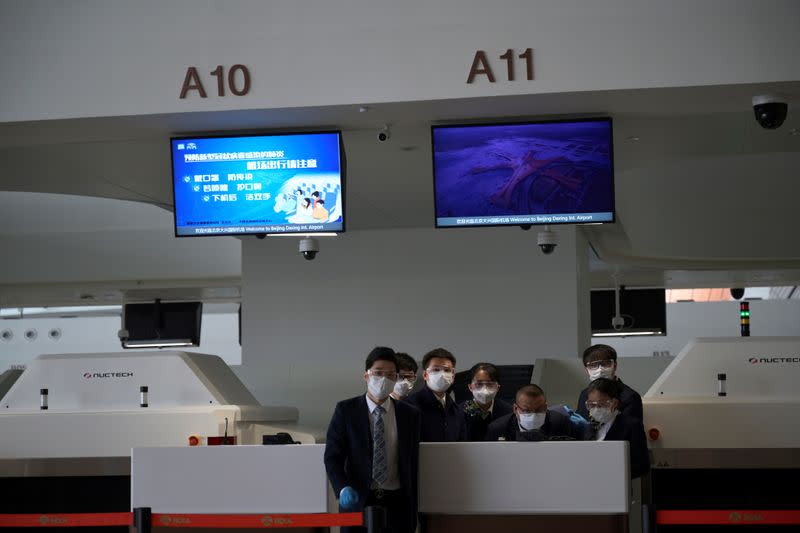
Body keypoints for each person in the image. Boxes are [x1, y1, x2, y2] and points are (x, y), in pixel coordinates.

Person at [324, 347, 421, 533]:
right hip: (358, 500)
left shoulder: (410, 415)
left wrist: (415, 507)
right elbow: (332, 456)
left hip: (398, 503)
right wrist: (342, 487)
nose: (384, 379)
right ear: (366, 376)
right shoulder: (346, 410)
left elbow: (413, 462)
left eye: (391, 374)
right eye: (378, 373)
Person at [584, 377, 650, 479]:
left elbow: (642, 466)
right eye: (592, 405)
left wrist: (613, 473)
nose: (596, 409)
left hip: (619, 483)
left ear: (614, 402)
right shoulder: (589, 427)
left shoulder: (631, 425)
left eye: (601, 404)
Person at [404, 347, 466, 442]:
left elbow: (462, 444)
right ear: (425, 375)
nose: (442, 374)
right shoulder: (410, 405)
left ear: (453, 375)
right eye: (436, 370)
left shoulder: (456, 409)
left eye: (447, 370)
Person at [485, 384, 582, 441]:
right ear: (515, 409)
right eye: (526, 410)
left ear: (546, 407)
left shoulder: (560, 422)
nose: (533, 415)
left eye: (539, 410)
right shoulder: (498, 428)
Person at [575, 344, 643, 422]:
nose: (600, 370)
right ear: (587, 370)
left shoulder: (630, 397)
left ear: (615, 366)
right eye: (593, 365)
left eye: (605, 364)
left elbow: (632, 431)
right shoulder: (584, 394)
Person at [459, 363, 512, 441]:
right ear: (470, 387)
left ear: (497, 387)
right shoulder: (459, 412)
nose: (484, 389)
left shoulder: (508, 412)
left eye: (490, 384)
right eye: (479, 384)